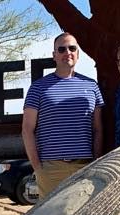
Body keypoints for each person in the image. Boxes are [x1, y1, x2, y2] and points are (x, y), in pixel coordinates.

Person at [22, 32, 104, 199]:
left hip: (84, 167)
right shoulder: (38, 88)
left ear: (78, 53)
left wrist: (95, 162)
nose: (67, 52)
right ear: (54, 55)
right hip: (51, 169)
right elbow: (27, 130)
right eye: (61, 49)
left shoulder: (91, 86)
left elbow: (97, 129)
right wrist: (38, 168)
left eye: (72, 48)